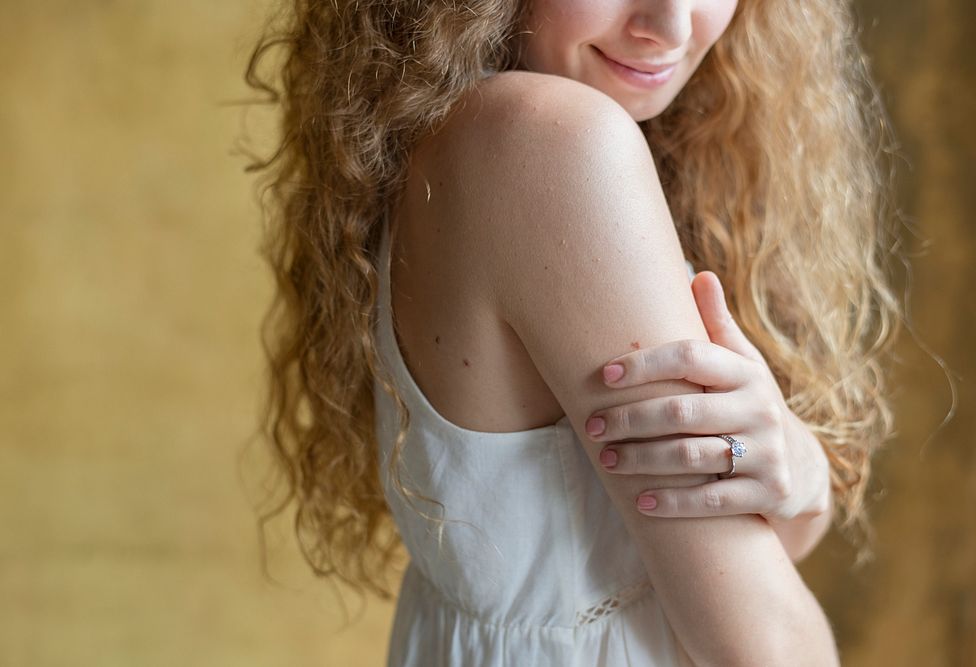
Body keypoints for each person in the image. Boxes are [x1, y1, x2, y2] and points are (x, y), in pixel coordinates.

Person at [242, 0, 902, 664]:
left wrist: (800, 467)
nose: (673, 26)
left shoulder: (446, 128)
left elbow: (741, 556)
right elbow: (768, 647)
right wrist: (800, 483)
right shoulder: (556, 142)